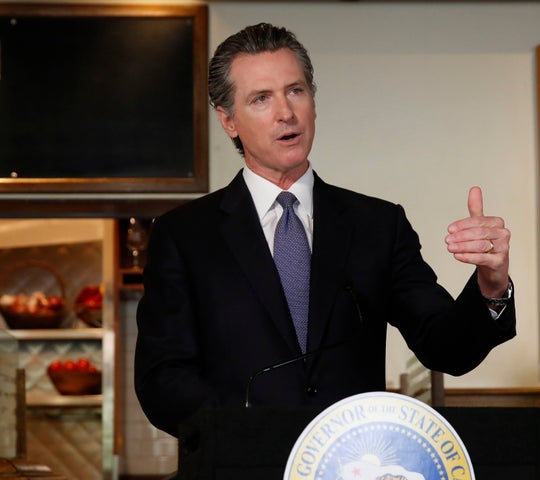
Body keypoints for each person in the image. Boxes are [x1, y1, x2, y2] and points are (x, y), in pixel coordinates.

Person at [134, 22, 516, 438]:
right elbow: (162, 378)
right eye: (262, 98)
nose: (286, 112)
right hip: (236, 464)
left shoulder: (377, 225)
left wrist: (491, 284)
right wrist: (246, 434)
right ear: (229, 120)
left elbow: (446, 348)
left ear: (313, 103)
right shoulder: (184, 235)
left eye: (295, 91)